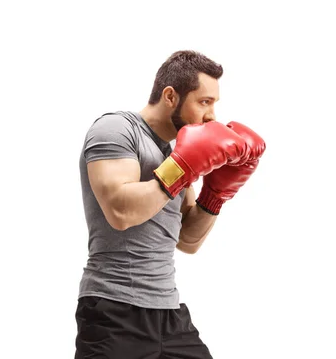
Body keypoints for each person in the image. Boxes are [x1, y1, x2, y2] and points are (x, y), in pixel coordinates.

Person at [74, 50, 266, 359]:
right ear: (170, 96)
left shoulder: (176, 152)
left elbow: (187, 241)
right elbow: (120, 212)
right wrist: (183, 167)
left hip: (170, 313)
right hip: (114, 311)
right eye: (204, 102)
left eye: (214, 103)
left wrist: (214, 195)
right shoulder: (117, 129)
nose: (212, 116)